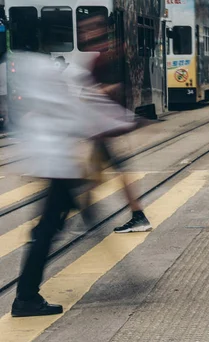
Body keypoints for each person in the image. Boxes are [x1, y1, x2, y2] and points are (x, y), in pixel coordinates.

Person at [11, 52, 137, 317]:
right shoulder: (69, 93)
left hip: (59, 168)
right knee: (46, 230)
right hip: (60, 168)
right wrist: (129, 121)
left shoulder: (51, 91)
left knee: (48, 227)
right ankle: (26, 297)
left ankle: (27, 295)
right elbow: (96, 119)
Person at [76, 15, 152, 234]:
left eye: (87, 28)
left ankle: (137, 215)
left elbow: (116, 86)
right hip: (102, 127)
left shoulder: (107, 57)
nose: (84, 33)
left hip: (107, 127)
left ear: (97, 30)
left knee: (114, 172)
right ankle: (84, 215)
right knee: (95, 173)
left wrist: (93, 93)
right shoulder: (102, 56)